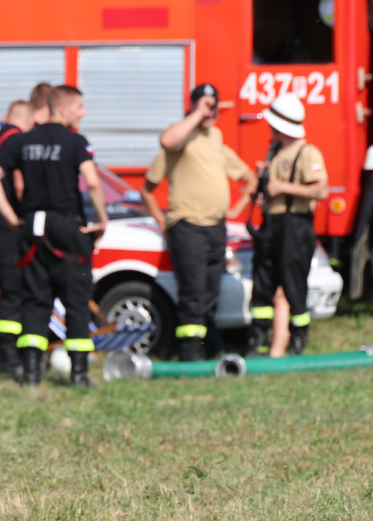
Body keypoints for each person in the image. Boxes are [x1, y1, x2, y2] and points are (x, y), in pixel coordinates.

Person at [0, 85, 108, 388]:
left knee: (35, 302)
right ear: (62, 109)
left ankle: (31, 374)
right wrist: (102, 220)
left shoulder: (22, 141)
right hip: (67, 227)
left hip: (32, 229)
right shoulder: (76, 142)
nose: (84, 113)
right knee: (76, 301)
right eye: (80, 107)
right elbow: (91, 182)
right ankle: (79, 376)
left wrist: (13, 219)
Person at [140, 83, 256, 362]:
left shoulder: (215, 137)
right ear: (192, 105)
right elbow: (162, 152)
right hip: (187, 225)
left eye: (213, 105)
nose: (210, 110)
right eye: (204, 104)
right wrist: (162, 222)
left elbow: (249, 178)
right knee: (193, 293)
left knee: (210, 291)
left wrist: (236, 208)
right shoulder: (180, 137)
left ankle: (209, 344)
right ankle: (190, 354)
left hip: (216, 227)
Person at [246, 94, 327, 357]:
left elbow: (321, 189)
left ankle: (298, 339)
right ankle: (259, 339)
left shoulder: (307, 151)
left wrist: (281, 187)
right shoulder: (275, 151)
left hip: (295, 226)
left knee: (294, 284)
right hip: (272, 223)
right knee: (263, 283)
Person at [0, 97, 40, 382]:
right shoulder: (16, 139)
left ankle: (8, 354)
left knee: (8, 287)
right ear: (29, 121)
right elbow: (18, 181)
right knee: (15, 290)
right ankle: (9, 358)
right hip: (8, 222)